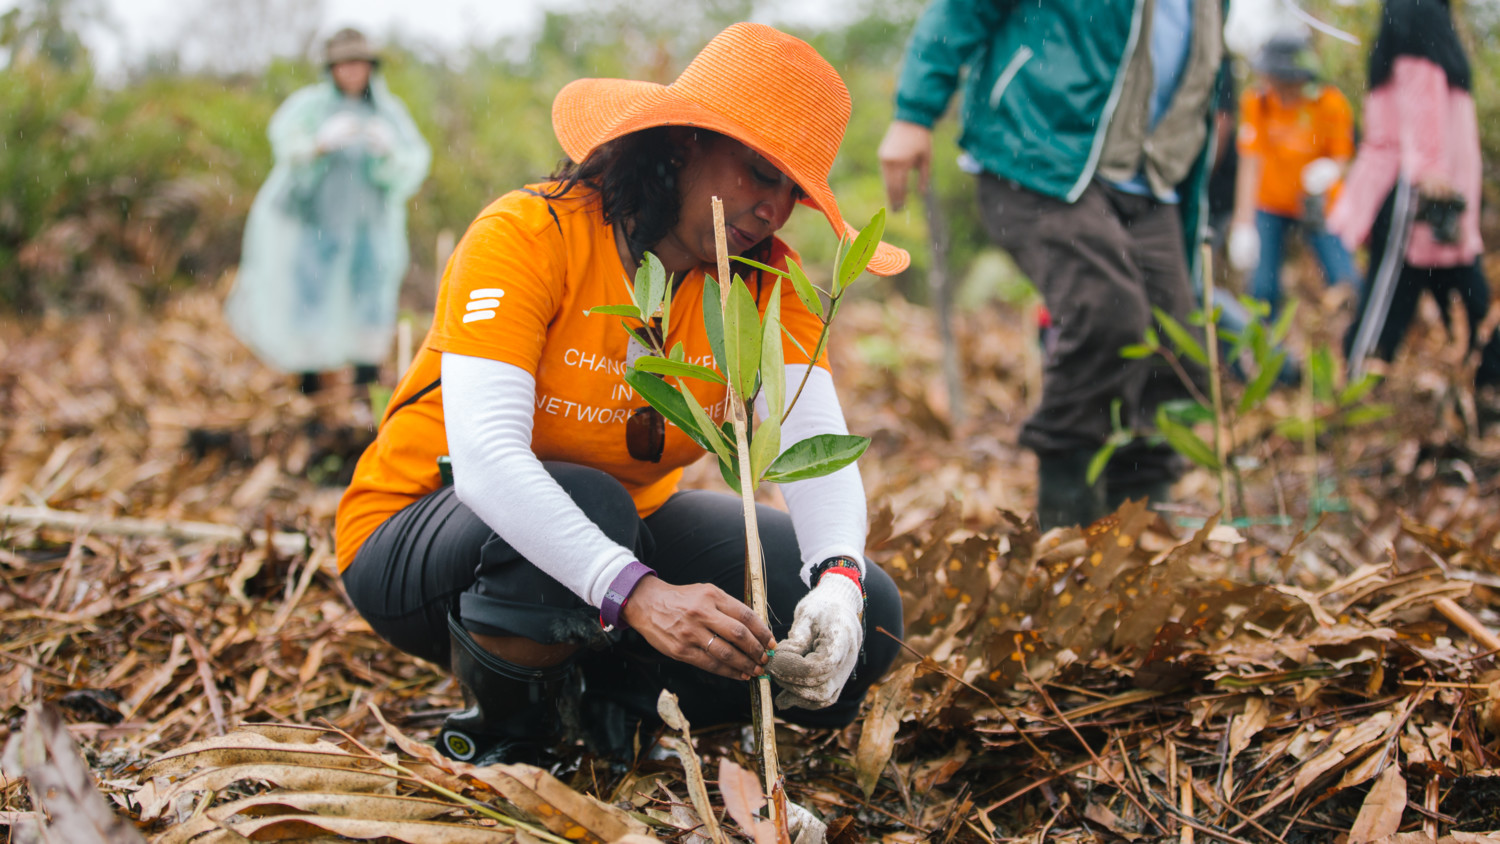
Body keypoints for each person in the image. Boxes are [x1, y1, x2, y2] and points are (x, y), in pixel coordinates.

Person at [334, 23, 909, 767]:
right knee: (590, 504)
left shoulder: (763, 281)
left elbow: (813, 450)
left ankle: (614, 706)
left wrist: (838, 582)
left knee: (878, 613)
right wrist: (640, 596)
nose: (773, 208)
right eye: (760, 172)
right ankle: (507, 735)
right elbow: (485, 461)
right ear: (682, 143)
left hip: (622, 534)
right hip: (423, 532)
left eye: (792, 191)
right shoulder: (530, 234)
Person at [879, 0, 1223, 529]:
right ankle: (1067, 524)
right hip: (1037, 148)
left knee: (1174, 343)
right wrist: (914, 112)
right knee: (1107, 317)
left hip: (1151, 175)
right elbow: (962, 9)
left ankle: (1143, 523)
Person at [226, 28, 430, 395]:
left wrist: (389, 152)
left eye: (360, 63)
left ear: (371, 67)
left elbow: (414, 160)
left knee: (370, 293)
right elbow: (286, 145)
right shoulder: (310, 107)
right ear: (332, 68)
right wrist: (317, 145)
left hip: (372, 225)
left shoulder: (388, 112)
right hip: (318, 222)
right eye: (344, 64)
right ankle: (310, 382)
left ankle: (364, 383)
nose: (353, 71)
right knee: (312, 294)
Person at [1329, 0, 1500, 387]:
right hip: (1417, 192)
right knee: (1387, 301)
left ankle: (1489, 386)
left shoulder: (1433, 12)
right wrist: (1428, 170)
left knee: (1473, 304)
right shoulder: (1414, 8)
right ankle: (1353, 392)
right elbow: (1418, 87)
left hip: (1446, 203)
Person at [1228, 33, 1360, 319]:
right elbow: (1250, 162)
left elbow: (1344, 156)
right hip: (1270, 204)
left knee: (1345, 279)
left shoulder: (1330, 103)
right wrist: (1243, 221)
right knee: (1263, 287)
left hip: (1316, 204)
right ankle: (1264, 350)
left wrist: (1330, 170)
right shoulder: (1257, 102)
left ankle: (1351, 342)